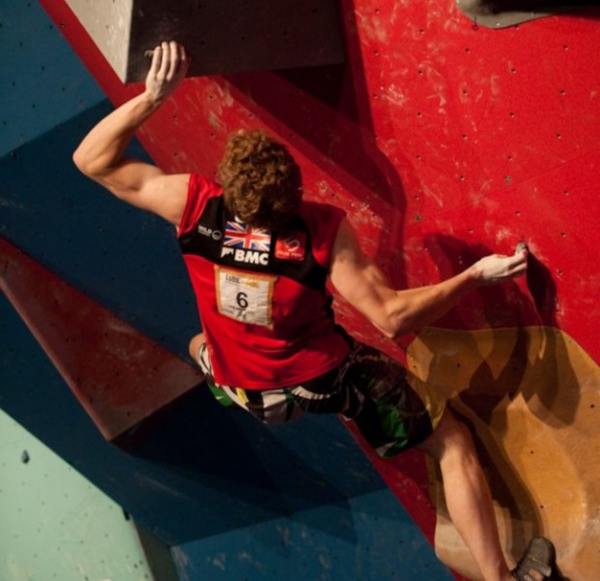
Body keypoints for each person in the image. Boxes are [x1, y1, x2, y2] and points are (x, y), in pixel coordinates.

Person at [73, 41, 562, 581]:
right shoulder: (321, 232)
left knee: (198, 345)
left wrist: (153, 96)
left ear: (230, 190)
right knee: (450, 441)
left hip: (248, 391)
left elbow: (91, 160)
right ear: (294, 191)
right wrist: (473, 276)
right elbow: (393, 318)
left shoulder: (196, 205)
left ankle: (228, 377)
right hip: (320, 383)